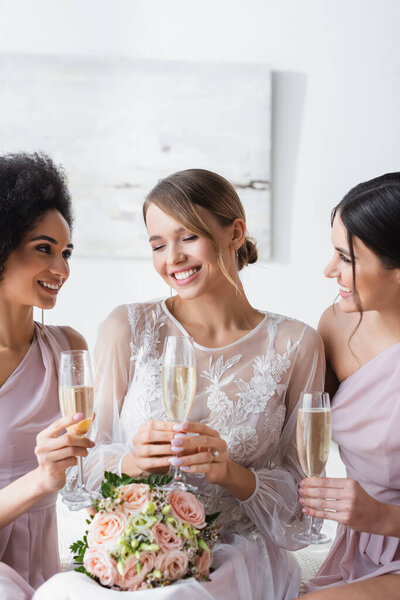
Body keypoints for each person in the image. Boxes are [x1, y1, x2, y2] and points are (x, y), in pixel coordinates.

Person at [36, 168, 325, 600]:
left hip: (235, 554)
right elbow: (80, 469)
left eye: (187, 237)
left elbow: (303, 500)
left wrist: (231, 474)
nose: (172, 258)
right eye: (157, 245)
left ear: (236, 232)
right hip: (139, 544)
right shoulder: (129, 326)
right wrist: (133, 461)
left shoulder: (296, 343)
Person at [297, 173, 400, 599]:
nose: (329, 270)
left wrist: (383, 518)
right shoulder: (336, 324)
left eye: (346, 257)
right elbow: (295, 432)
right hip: (359, 544)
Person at [0, 153, 93, 597]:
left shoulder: (68, 349)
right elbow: (50, 477)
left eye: (66, 252)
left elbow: (92, 461)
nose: (62, 269)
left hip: (42, 568)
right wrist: (41, 479)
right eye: (44, 248)